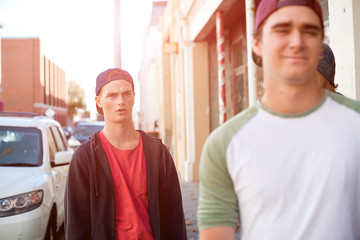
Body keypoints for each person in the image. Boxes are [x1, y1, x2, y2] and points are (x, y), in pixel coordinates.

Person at [198, 0, 360, 239]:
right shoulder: (224, 144)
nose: (297, 41)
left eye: (310, 31)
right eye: (282, 30)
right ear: (257, 45)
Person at [65, 68, 187, 240]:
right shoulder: (85, 157)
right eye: (112, 95)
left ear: (134, 97)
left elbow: (174, 218)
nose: (120, 101)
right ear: (98, 101)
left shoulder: (157, 152)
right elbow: (76, 225)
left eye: (126, 94)